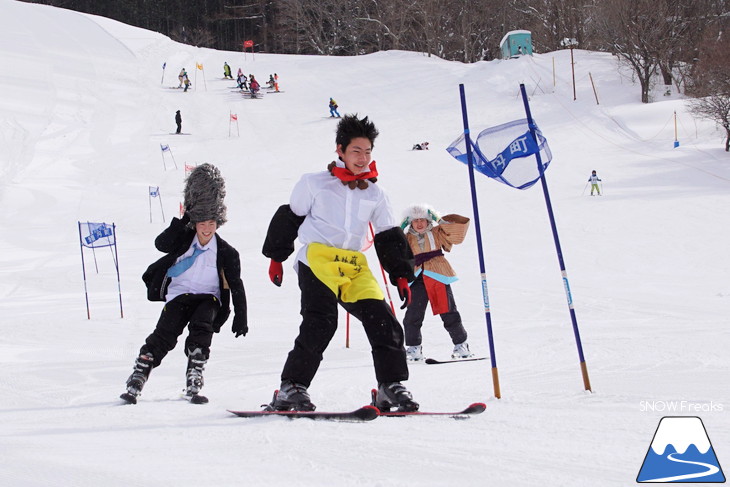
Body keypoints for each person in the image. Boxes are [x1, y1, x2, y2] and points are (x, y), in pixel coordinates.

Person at [262, 114, 419, 412]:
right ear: (340, 151)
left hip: (353, 265)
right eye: (356, 151)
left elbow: (387, 235)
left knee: (384, 321)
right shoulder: (313, 184)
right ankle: (291, 386)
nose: (363, 158)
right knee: (321, 322)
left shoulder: (376, 193)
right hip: (318, 261)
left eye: (368, 152)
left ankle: (390, 386)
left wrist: (400, 274)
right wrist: (276, 258)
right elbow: (290, 218)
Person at [121, 164, 248, 404]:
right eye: (202, 223)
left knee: (202, 326)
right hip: (179, 296)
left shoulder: (227, 253)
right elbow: (161, 244)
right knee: (164, 334)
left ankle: (195, 374)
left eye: (212, 223)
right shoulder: (182, 239)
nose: (207, 229)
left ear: (218, 222)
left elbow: (236, 285)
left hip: (208, 298)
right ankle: (139, 375)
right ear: (195, 222)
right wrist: (185, 219)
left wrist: (241, 316)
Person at [400, 204, 473, 362]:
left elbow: (456, 234)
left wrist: (439, 219)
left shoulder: (437, 232)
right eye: (415, 221)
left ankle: (461, 344)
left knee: (448, 311)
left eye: (423, 220)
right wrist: (401, 227)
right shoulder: (407, 237)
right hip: (417, 276)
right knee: (413, 314)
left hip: (437, 273)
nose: (419, 224)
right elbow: (394, 248)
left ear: (428, 221)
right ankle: (413, 348)